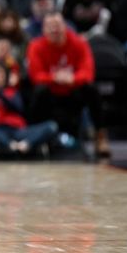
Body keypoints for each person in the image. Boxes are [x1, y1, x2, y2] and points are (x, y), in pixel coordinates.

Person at [26, 12, 106, 156]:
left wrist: (72, 79)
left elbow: (88, 73)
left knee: (91, 90)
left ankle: (100, 136)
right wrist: (55, 77)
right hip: (50, 94)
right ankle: (35, 138)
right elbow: (36, 76)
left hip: (72, 91)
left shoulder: (79, 43)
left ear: (65, 27)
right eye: (49, 27)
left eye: (57, 25)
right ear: (43, 30)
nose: (54, 30)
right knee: (38, 91)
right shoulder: (36, 46)